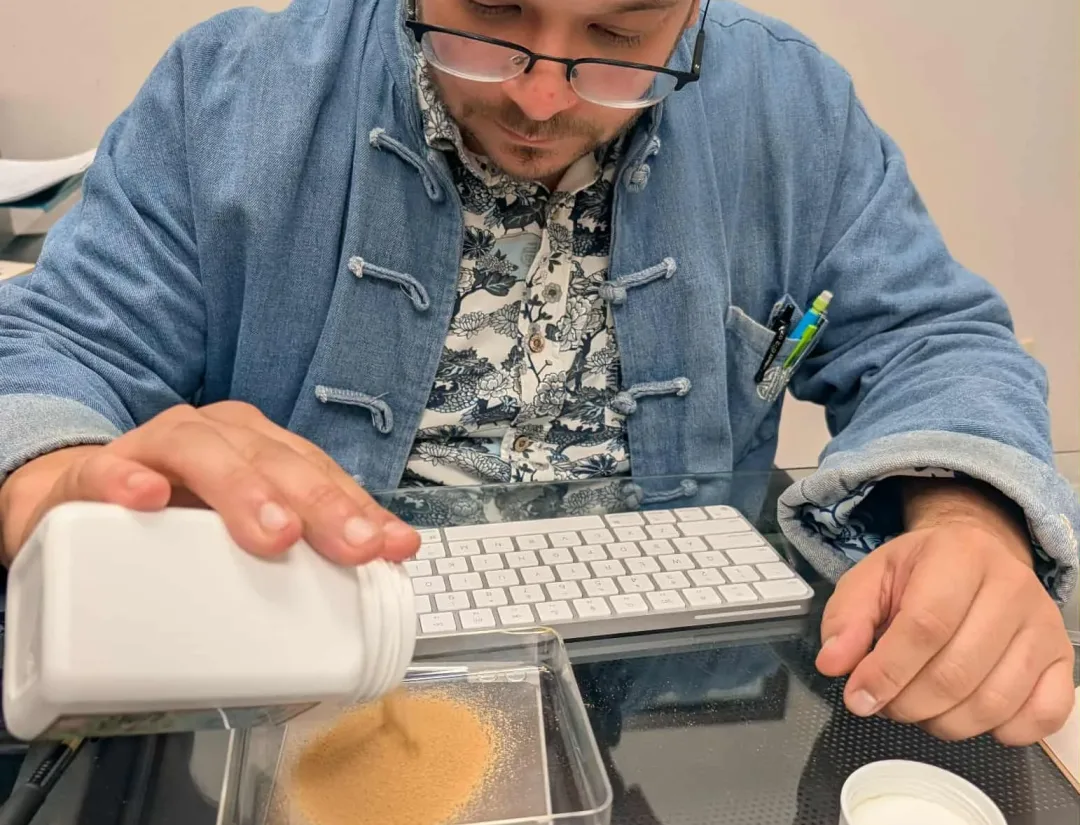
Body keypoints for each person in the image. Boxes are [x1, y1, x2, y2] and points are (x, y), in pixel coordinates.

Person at [0, 0, 1075, 746]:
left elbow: (936, 340)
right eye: (491, 15)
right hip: (293, 685)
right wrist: (53, 475)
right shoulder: (228, 94)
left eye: (619, 35)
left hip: (671, 704)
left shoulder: (792, 106)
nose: (544, 98)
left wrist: (967, 519)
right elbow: (55, 351)